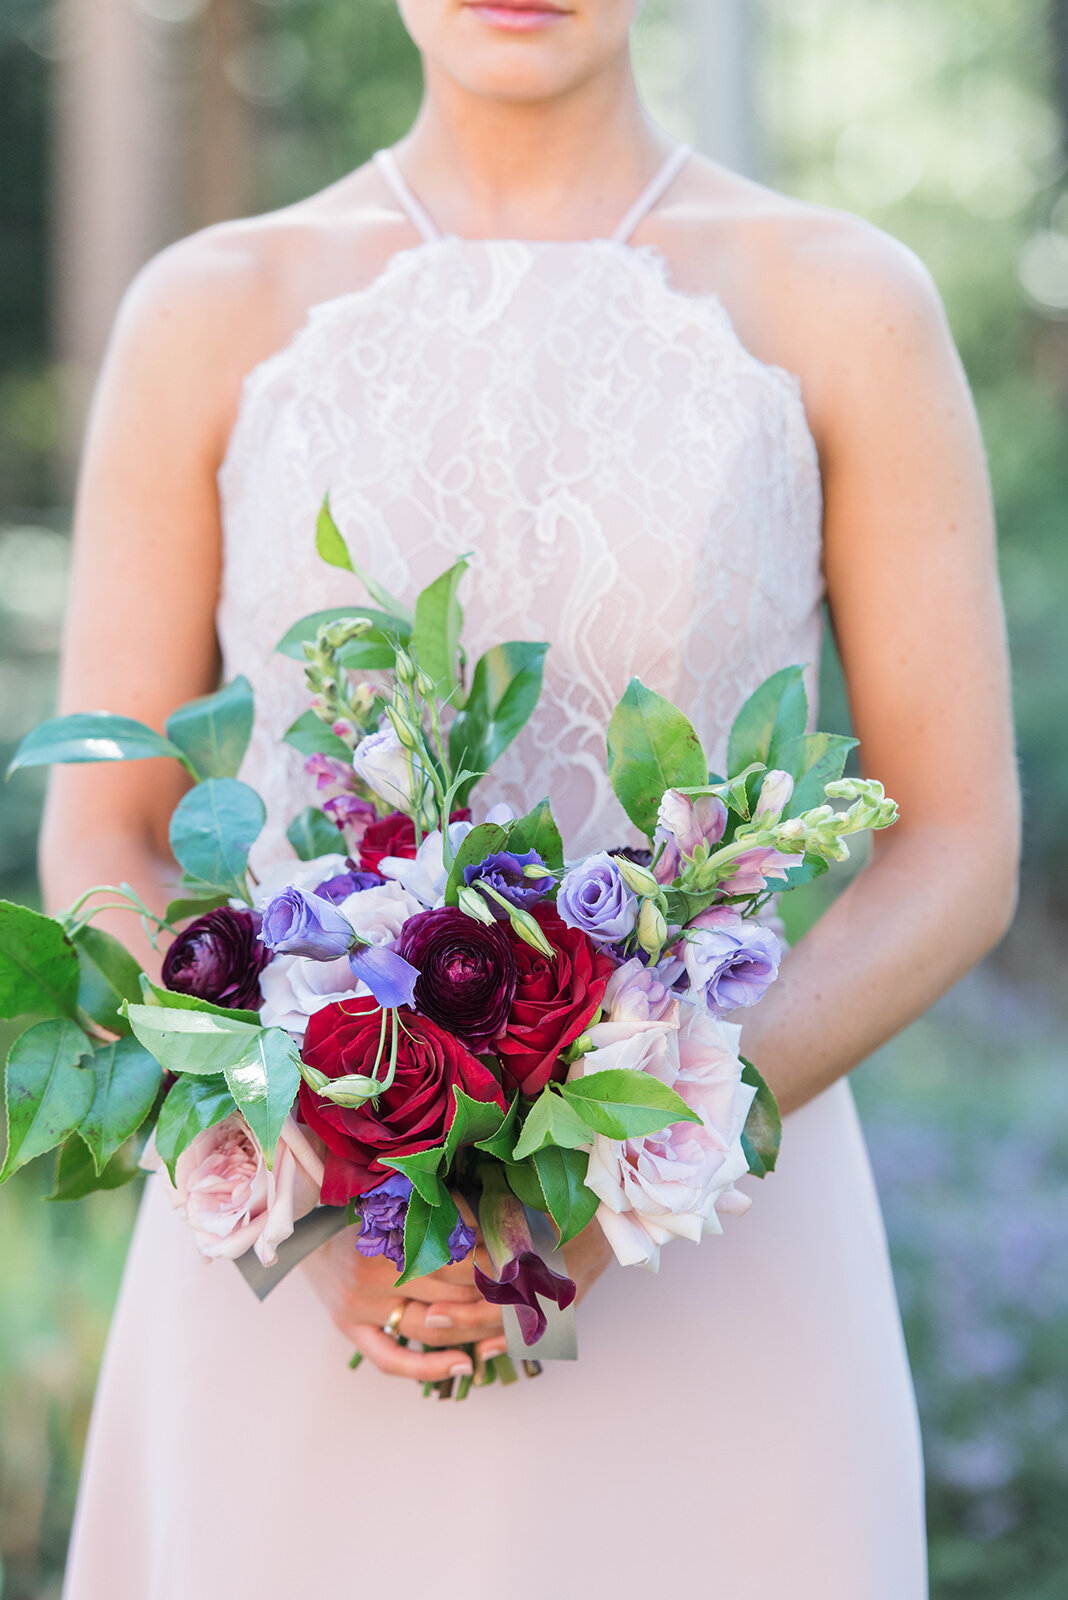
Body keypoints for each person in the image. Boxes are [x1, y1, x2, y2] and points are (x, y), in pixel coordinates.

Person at [48, 2, 1019, 1596]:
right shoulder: (209, 312)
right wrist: (306, 1190)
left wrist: (630, 1175)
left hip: (722, 1283)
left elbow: (962, 846)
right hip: (302, 1292)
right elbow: (103, 830)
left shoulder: (843, 306)